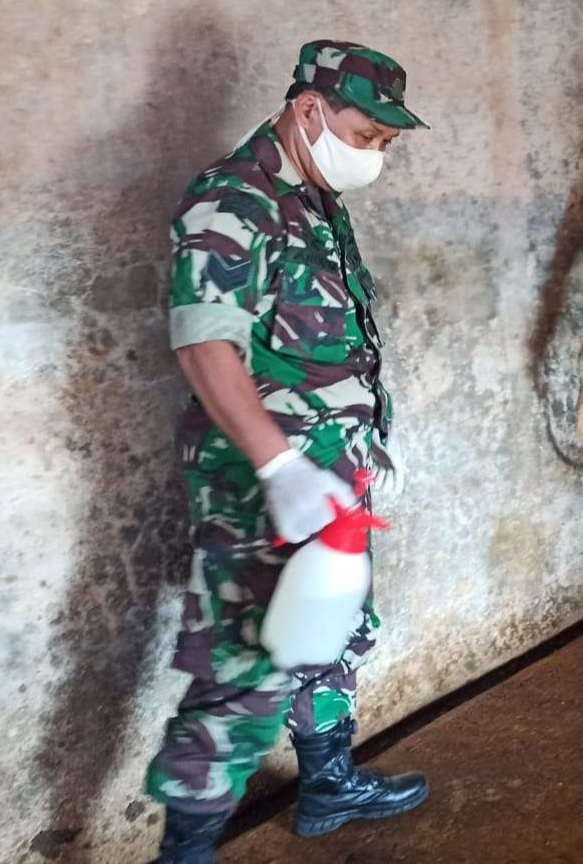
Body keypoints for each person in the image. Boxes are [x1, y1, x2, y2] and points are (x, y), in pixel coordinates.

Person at [144, 40, 430, 863]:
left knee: (332, 632)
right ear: (310, 110)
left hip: (330, 474)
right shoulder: (234, 198)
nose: (376, 154)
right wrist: (278, 465)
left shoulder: (317, 201)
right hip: (261, 486)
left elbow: (329, 351)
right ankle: (185, 851)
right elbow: (205, 347)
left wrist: (362, 437)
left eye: (387, 141)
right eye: (368, 134)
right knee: (242, 670)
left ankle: (329, 786)